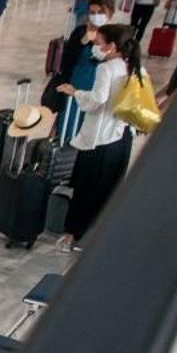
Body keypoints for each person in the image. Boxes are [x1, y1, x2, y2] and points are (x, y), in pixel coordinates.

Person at [56, 24, 139, 253]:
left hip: (100, 139)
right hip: (122, 137)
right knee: (108, 190)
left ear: (111, 46)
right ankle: (96, 236)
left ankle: (72, 235)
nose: (95, 47)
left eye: (99, 43)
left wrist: (76, 92)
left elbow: (97, 100)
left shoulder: (107, 68)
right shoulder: (133, 66)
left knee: (86, 189)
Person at [47, 0, 114, 119]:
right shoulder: (80, 32)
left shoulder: (115, 36)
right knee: (68, 120)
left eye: (101, 12)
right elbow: (66, 61)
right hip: (74, 86)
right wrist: (82, 42)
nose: (96, 16)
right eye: (92, 12)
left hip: (98, 89)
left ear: (110, 13)